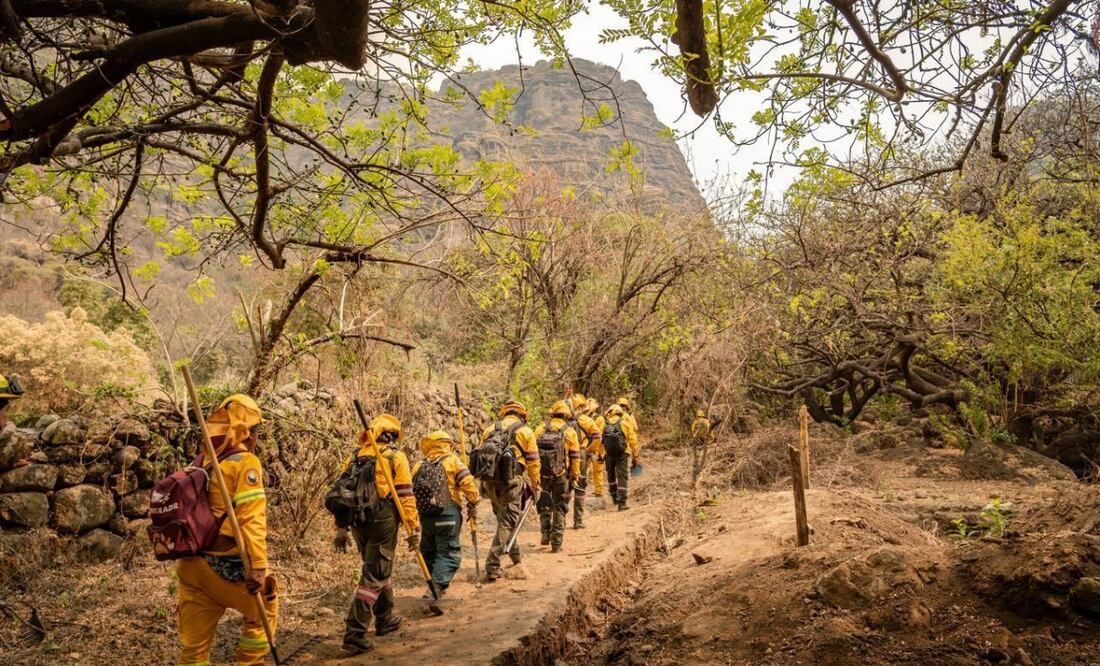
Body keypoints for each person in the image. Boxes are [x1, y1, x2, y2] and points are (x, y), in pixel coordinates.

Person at [176, 394, 279, 666]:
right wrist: (258, 566)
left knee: (194, 649)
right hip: (224, 567)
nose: (257, 437)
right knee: (264, 609)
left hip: (191, 566)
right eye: (256, 430)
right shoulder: (245, 463)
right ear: (247, 431)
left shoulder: (203, 459)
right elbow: (251, 519)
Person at [334, 413, 419, 656]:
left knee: (378, 567)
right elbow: (405, 494)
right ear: (391, 436)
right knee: (375, 574)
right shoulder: (395, 456)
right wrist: (413, 526)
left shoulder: (354, 458)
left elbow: (342, 494)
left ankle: (385, 618)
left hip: (358, 522)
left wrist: (340, 528)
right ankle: (355, 633)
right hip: (383, 519)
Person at [411, 430, 479, 595]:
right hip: (448, 514)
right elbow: (468, 485)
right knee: (448, 552)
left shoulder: (419, 465)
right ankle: (436, 587)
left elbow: (409, 490)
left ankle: (433, 581)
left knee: (429, 550)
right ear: (448, 444)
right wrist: (474, 501)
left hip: (425, 517)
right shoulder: (453, 461)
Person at [479, 401, 540, 581]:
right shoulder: (525, 431)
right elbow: (534, 462)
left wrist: (482, 485)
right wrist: (536, 484)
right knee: (508, 520)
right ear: (522, 416)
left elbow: (482, 457)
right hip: (512, 480)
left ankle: (516, 557)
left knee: (504, 520)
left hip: (491, 481)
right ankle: (492, 564)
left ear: (504, 414)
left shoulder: (489, 429)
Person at [532, 400, 580, 551]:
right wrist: (574, 476)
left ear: (552, 414)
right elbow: (575, 457)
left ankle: (545, 533)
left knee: (544, 502)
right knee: (560, 506)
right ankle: (556, 542)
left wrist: (533, 476)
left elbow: (532, 454)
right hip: (561, 475)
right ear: (566, 416)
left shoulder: (540, 429)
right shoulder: (570, 432)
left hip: (543, 475)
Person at [567, 394, 602, 529]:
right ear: (581, 407)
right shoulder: (585, 420)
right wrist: (589, 450)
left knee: (565, 487)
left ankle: (560, 520)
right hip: (580, 454)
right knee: (580, 487)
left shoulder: (564, 421)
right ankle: (578, 521)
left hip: (566, 456)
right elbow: (598, 436)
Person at [603, 404, 639, 511]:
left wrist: (601, 454)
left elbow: (601, 440)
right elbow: (633, 440)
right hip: (622, 453)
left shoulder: (605, 424)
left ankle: (614, 496)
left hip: (608, 453)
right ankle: (621, 503)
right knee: (622, 477)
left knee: (611, 475)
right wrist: (635, 455)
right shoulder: (625, 423)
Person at [586, 397, 606, 498]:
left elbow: (600, 434)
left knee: (597, 469)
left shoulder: (599, 418)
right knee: (584, 469)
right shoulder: (585, 418)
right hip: (586, 447)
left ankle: (598, 491)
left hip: (597, 448)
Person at [690, 409, 714, 482]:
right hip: (705, 437)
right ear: (703, 415)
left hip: (698, 438)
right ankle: (702, 462)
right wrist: (712, 437)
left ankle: (698, 461)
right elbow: (710, 429)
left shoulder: (695, 422)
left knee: (698, 450)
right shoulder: (706, 421)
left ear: (697, 415)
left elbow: (692, 429)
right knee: (704, 449)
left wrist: (694, 435)